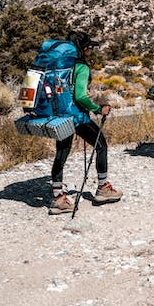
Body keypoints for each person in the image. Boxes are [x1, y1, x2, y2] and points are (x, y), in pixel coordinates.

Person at [49, 30, 124, 215]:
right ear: (83, 48)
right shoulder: (81, 67)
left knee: (62, 152)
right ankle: (103, 188)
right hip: (76, 116)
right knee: (101, 145)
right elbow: (80, 95)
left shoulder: (59, 64)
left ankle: (58, 198)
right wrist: (98, 109)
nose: (90, 50)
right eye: (89, 47)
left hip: (59, 114)